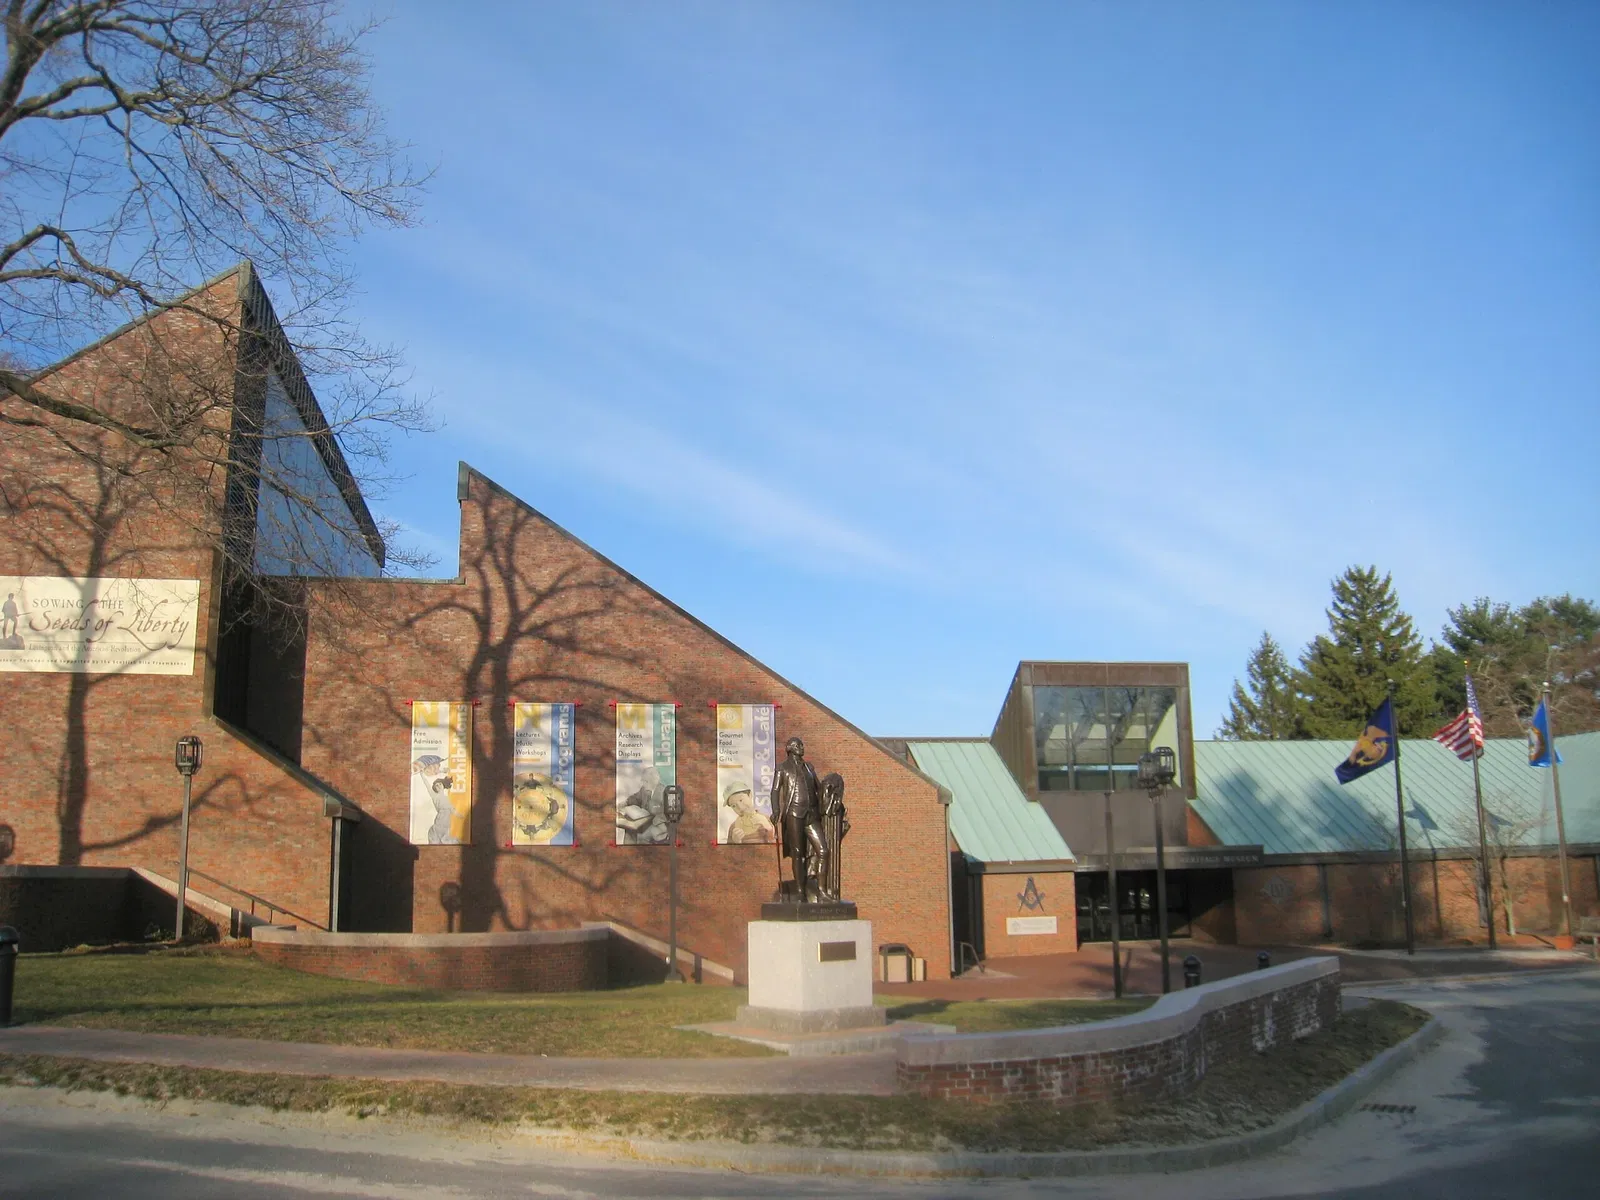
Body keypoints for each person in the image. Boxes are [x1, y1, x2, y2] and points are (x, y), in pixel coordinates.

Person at [770, 736, 824, 899]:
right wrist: (776, 809)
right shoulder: (782, 768)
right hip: (794, 813)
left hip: (811, 815)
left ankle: (821, 891)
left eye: (801, 744)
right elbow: (775, 790)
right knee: (798, 852)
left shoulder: (809, 767)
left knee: (823, 850)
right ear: (790, 748)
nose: (801, 747)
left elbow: (819, 788)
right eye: (798, 745)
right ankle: (800, 891)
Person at [723, 779, 774, 844]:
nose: (740, 807)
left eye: (741, 800)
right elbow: (728, 853)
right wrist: (736, 843)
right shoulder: (733, 828)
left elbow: (778, 848)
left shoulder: (768, 819)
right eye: (733, 806)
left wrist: (768, 828)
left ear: (750, 795)